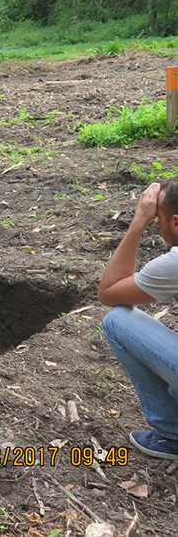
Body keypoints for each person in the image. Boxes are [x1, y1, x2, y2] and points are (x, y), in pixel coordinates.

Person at [98, 178, 178, 460]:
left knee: (117, 321)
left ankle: (172, 435)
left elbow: (109, 293)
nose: (157, 225)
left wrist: (138, 222)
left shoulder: (175, 263)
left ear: (176, 222)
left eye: (159, 218)